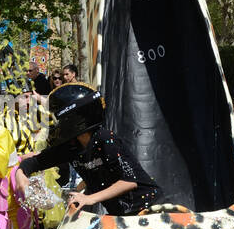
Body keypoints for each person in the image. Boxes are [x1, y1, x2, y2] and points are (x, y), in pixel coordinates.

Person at [14, 83, 160, 216]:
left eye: (56, 119)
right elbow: (36, 162)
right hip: (121, 216)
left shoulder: (105, 138)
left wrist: (89, 198)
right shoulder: (71, 147)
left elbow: (129, 182)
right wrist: (21, 175)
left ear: (73, 118)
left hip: (150, 211)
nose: (53, 125)